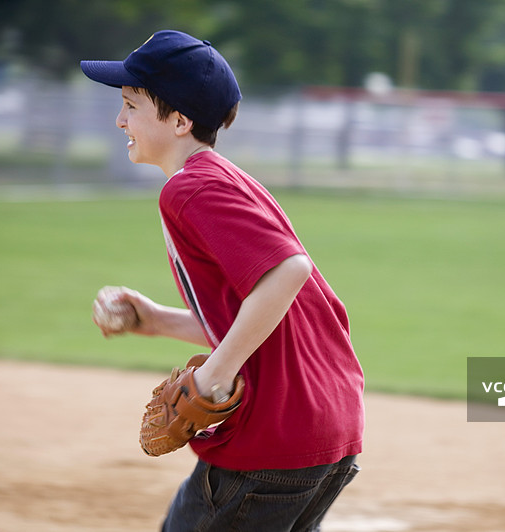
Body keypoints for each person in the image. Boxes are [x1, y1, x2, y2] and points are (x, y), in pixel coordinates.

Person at [81, 30, 364, 531]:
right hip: (323, 427)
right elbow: (265, 315)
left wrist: (213, 376)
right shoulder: (225, 177)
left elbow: (287, 272)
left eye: (131, 104)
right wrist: (157, 320)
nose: (120, 119)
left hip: (270, 438)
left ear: (180, 121)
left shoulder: (189, 189)